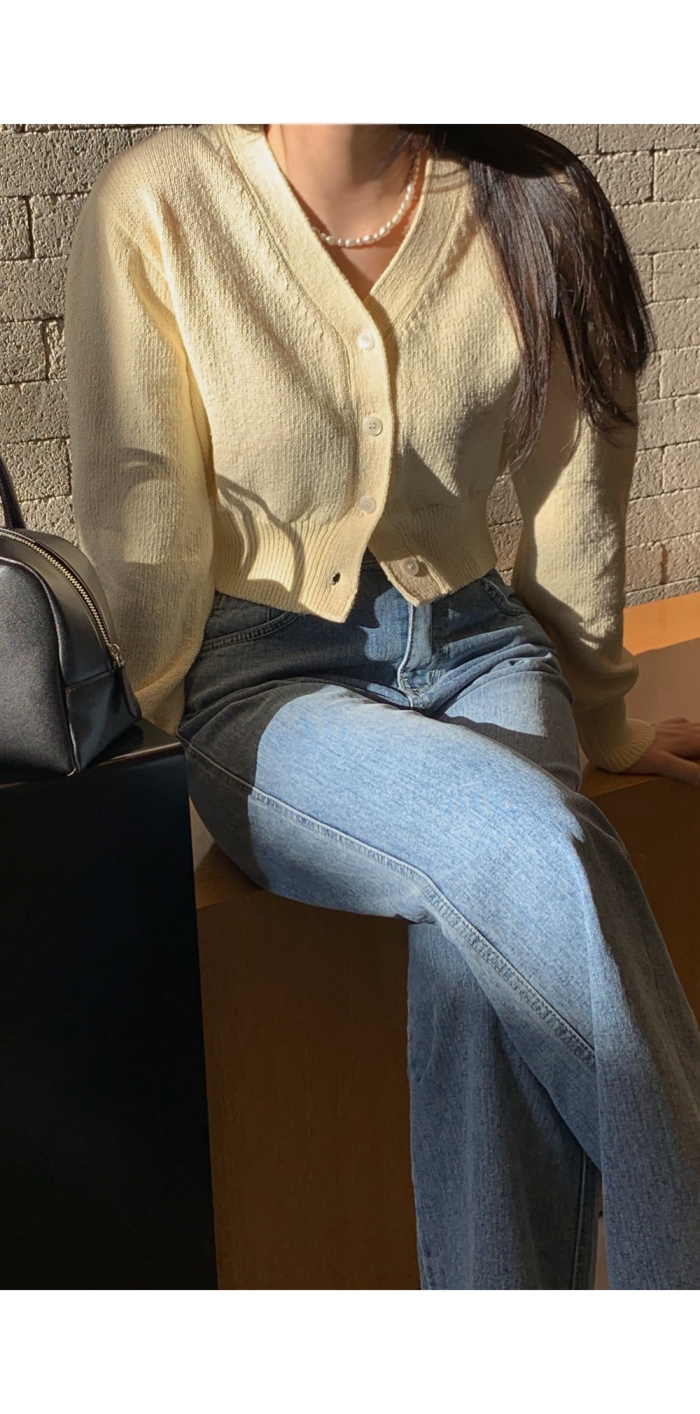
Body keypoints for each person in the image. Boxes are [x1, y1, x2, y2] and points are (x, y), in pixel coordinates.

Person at [65, 122, 700, 1289]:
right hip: (267, 685)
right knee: (527, 836)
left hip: (482, 649)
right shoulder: (160, 203)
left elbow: (579, 493)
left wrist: (604, 715)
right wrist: (131, 775)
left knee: (477, 960)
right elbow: (141, 518)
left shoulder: (534, 194)